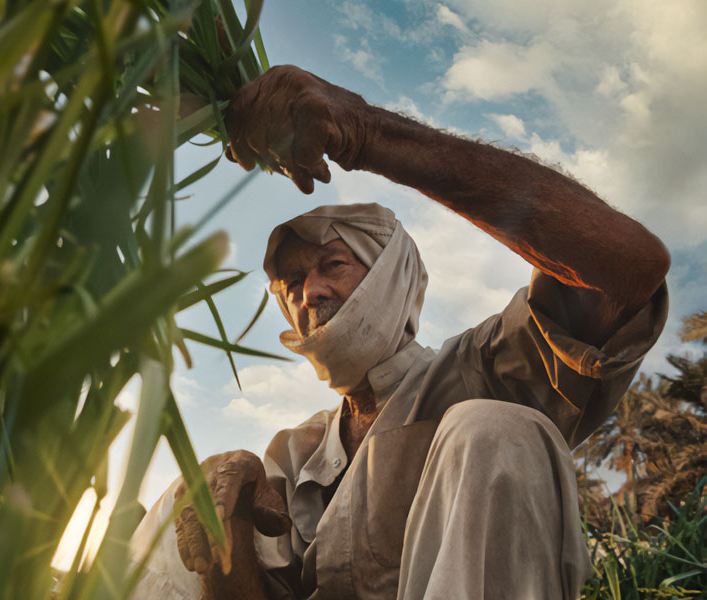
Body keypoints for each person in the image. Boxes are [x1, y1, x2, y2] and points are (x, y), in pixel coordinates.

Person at [129, 66, 669, 600]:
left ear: (392, 274)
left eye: (332, 264)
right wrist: (230, 538)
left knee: (493, 429)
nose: (309, 292)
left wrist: (363, 131)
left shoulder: (485, 368)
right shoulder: (292, 458)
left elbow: (630, 265)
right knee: (189, 492)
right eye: (291, 281)